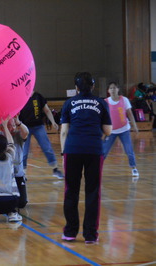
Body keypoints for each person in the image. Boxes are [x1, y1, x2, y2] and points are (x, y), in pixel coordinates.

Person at [60, 72, 112, 244]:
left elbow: (64, 131)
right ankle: (90, 235)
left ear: (76, 87)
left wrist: (63, 153)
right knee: (93, 192)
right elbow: (108, 131)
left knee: (71, 191)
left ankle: (70, 232)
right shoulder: (101, 103)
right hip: (94, 151)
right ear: (93, 86)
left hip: (72, 150)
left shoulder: (69, 103)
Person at [19, 91, 64, 179]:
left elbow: (46, 110)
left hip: (38, 127)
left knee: (47, 148)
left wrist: (53, 121)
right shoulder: (20, 96)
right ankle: (22, 174)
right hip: (25, 127)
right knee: (24, 152)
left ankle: (55, 170)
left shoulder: (38, 96)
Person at [103, 82, 139, 177]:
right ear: (108, 91)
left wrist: (134, 126)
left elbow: (129, 113)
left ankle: (134, 168)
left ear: (118, 89)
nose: (113, 90)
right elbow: (102, 117)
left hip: (124, 130)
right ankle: (97, 168)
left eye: (114, 88)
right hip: (111, 131)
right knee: (104, 151)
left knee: (129, 150)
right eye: (111, 88)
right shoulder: (105, 102)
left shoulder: (124, 100)